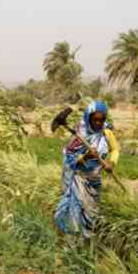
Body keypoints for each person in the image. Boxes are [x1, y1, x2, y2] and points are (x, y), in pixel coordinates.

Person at [53, 99, 120, 242]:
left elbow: (115, 150)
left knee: (91, 213)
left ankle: (87, 243)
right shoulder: (80, 135)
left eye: (101, 120)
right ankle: (72, 245)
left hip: (95, 180)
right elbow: (70, 158)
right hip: (80, 178)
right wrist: (86, 156)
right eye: (95, 119)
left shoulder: (106, 133)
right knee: (76, 209)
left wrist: (111, 163)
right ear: (88, 118)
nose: (98, 123)